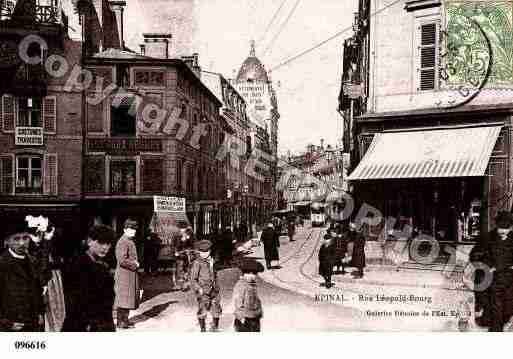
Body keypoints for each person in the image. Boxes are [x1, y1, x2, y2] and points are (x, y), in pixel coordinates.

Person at [61, 224, 117, 332]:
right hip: (83, 325)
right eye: (101, 242)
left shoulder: (103, 267)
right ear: (89, 241)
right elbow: (75, 303)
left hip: (103, 324)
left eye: (108, 243)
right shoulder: (76, 266)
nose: (105, 247)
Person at [0, 229, 45, 332]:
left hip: (33, 325)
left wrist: (40, 313)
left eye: (25, 238)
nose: (22, 243)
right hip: (11, 327)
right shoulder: (2, 264)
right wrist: (6, 324)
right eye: (16, 239)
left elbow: (37, 290)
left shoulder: (32, 261)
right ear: (7, 241)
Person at [479, 211, 513, 331]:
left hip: (510, 280)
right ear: (497, 226)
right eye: (500, 228)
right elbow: (479, 255)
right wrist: (487, 266)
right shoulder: (489, 239)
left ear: (511, 228)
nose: (503, 231)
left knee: (508, 309)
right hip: (494, 279)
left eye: (506, 228)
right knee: (497, 308)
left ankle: (501, 321)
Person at [190, 240, 222, 332]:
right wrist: (198, 288)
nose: (204, 254)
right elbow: (193, 279)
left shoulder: (212, 261)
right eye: (202, 252)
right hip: (203, 290)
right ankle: (203, 329)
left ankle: (215, 327)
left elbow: (215, 275)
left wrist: (217, 286)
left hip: (214, 290)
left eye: (206, 252)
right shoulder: (197, 263)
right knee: (202, 309)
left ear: (210, 251)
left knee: (216, 308)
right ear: (199, 252)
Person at [114, 219, 140, 329]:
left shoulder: (128, 240)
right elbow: (122, 260)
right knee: (123, 299)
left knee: (127, 298)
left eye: (134, 230)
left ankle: (125, 321)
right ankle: (121, 323)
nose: (133, 232)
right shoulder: (123, 241)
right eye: (131, 229)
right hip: (125, 275)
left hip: (128, 275)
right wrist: (135, 264)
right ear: (125, 230)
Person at [232, 258, 264, 332]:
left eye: (254, 274)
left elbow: (256, 300)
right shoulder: (241, 285)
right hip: (245, 319)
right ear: (244, 274)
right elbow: (238, 302)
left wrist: (259, 312)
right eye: (249, 274)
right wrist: (241, 316)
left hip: (254, 317)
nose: (252, 276)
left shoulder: (253, 285)